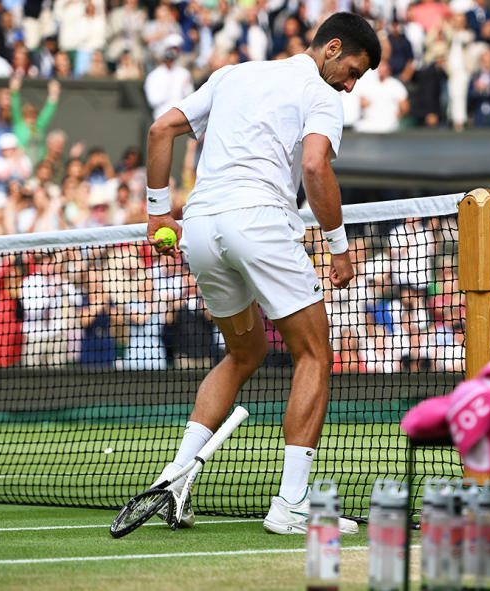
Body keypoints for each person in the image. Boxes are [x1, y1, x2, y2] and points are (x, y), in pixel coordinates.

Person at [144, 11, 380, 534]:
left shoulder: (235, 74)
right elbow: (316, 167)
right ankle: (292, 504)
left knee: (244, 352)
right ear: (332, 48)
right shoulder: (321, 93)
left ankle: (174, 481)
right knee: (315, 353)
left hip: (201, 229)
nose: (350, 84)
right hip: (260, 222)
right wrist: (339, 247)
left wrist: (159, 211)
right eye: (353, 71)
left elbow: (162, 129)